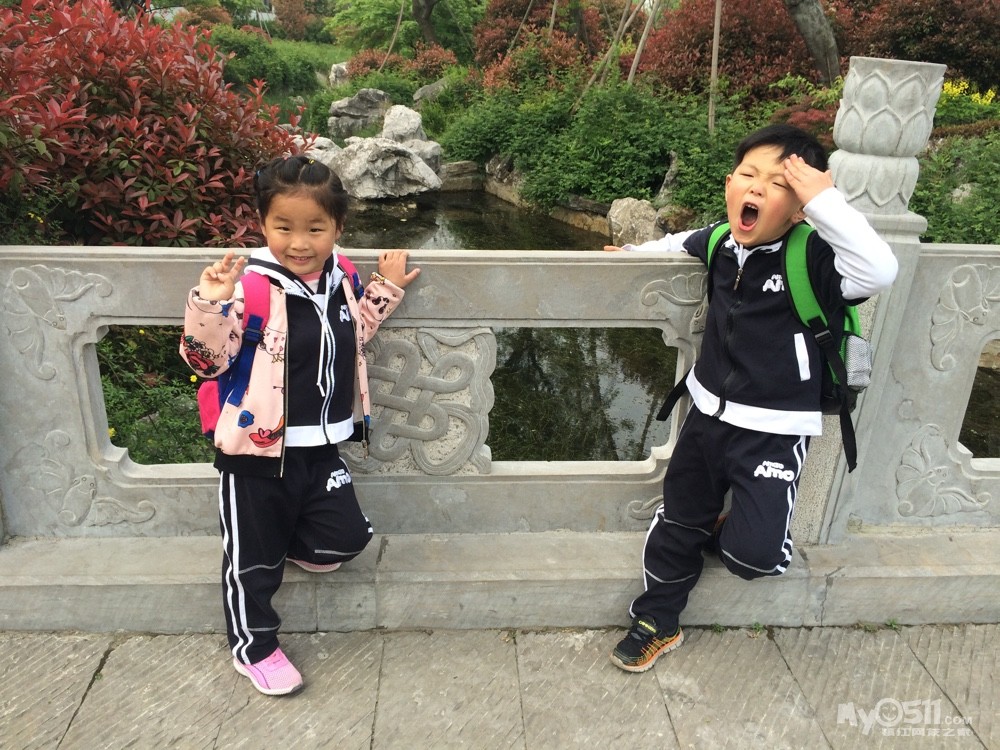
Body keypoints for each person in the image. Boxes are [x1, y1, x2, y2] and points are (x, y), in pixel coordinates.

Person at [603, 124, 898, 672]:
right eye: (747, 175)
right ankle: (657, 619)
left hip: (775, 431)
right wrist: (628, 254)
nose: (757, 188)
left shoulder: (815, 257)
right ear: (729, 185)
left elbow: (879, 270)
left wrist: (824, 199)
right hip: (705, 418)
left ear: (801, 207)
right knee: (679, 522)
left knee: (754, 558)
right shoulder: (720, 241)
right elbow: (675, 243)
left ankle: (727, 534)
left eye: (779, 183)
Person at [180, 155, 420, 695]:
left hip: (322, 444)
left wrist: (383, 289)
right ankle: (254, 648)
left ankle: (285, 537)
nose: (299, 242)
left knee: (346, 540)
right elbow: (205, 363)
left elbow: (354, 331)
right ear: (263, 224)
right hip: (255, 452)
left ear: (338, 227)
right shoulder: (249, 287)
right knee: (252, 562)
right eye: (283, 227)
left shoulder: (342, 276)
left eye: (315, 228)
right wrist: (210, 305)